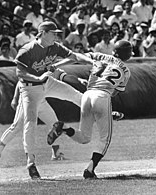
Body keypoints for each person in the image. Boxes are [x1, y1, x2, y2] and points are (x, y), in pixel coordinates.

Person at [14, 20, 97, 180]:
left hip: (47, 82)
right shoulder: (28, 50)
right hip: (30, 88)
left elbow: (73, 56)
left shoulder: (55, 47)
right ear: (43, 33)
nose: (56, 36)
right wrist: (38, 77)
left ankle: (101, 112)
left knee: (75, 95)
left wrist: (90, 60)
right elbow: (20, 73)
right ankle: (31, 164)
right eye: (53, 33)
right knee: (30, 123)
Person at [47, 40, 133, 179]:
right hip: (102, 95)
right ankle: (90, 169)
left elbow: (75, 56)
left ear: (114, 51)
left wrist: (55, 65)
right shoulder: (126, 71)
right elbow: (114, 92)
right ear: (128, 55)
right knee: (105, 139)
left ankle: (64, 128)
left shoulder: (100, 56)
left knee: (84, 137)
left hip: (87, 95)